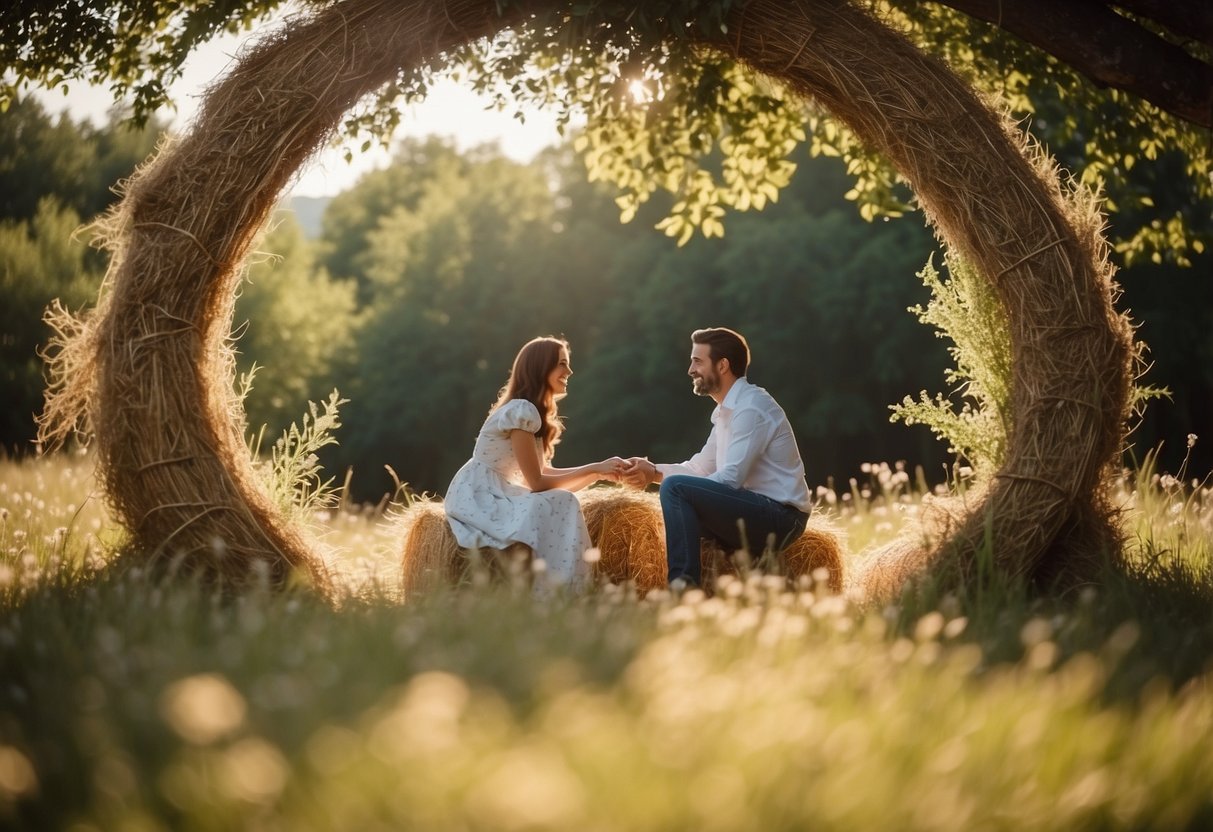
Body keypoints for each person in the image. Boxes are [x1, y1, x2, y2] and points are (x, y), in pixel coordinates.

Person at [621, 327, 811, 588]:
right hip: (755, 510)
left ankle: (683, 587)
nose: (690, 369)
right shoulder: (726, 411)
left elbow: (730, 479)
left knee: (675, 490)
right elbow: (700, 468)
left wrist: (678, 487)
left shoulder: (751, 407)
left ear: (722, 365)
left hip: (780, 517)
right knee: (679, 500)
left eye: (697, 361)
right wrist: (652, 472)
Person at [445, 336, 625, 588]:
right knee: (561, 502)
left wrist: (598, 473)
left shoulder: (530, 413)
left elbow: (544, 476)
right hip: (481, 495)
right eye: (562, 363)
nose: (569, 371)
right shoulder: (521, 410)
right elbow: (538, 483)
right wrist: (595, 468)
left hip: (499, 491)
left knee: (562, 500)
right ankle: (559, 589)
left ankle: (562, 588)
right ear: (542, 367)